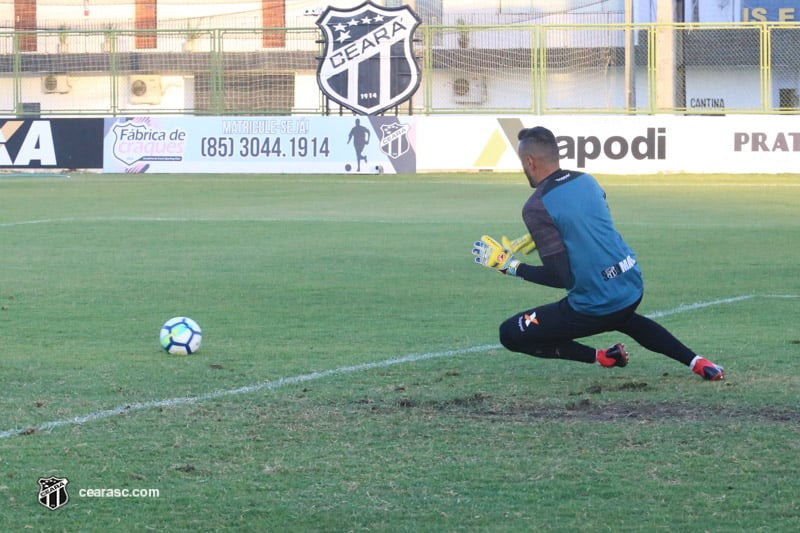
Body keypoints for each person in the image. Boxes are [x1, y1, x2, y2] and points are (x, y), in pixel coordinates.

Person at [471, 126, 725, 381]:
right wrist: (544, 237)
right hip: (630, 286)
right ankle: (698, 362)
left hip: (595, 305)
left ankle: (602, 357)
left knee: (510, 334)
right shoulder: (586, 179)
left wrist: (508, 266)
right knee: (622, 318)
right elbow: (588, 222)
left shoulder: (536, 206)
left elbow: (560, 278)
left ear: (529, 161)